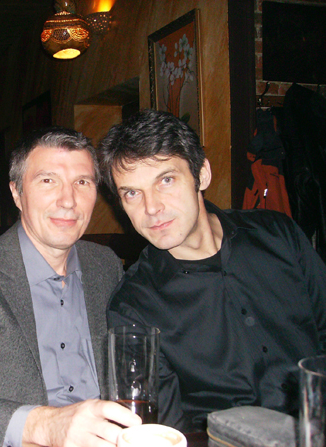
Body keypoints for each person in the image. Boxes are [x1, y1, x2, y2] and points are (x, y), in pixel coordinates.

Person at [97, 109, 326, 432]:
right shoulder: (134, 307)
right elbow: (164, 431)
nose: (151, 208)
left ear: (201, 175)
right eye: (132, 193)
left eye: (165, 180)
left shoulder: (278, 235)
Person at [0, 127, 141, 447]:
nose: (68, 200)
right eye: (48, 180)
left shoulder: (105, 265)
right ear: (17, 193)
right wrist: (48, 426)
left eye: (82, 182)